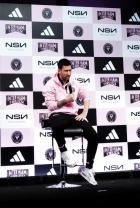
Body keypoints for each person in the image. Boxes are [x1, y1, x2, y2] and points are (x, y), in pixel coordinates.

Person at [41, 58, 98, 186]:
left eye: (70, 70)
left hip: (73, 115)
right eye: (65, 71)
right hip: (57, 114)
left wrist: (84, 113)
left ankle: (88, 168)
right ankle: (64, 151)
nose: (68, 73)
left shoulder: (73, 82)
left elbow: (86, 96)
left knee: (94, 136)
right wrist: (66, 100)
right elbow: (51, 106)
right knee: (56, 123)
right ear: (59, 71)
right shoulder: (50, 85)